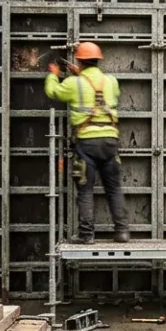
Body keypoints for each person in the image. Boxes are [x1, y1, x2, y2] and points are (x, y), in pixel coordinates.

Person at [45, 41, 127, 244]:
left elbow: (53, 92)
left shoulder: (73, 83)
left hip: (86, 144)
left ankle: (87, 235)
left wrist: (54, 74)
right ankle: (122, 232)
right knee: (114, 188)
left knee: (85, 190)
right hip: (110, 141)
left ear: (79, 61)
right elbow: (108, 94)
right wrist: (81, 75)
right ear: (98, 61)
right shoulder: (111, 81)